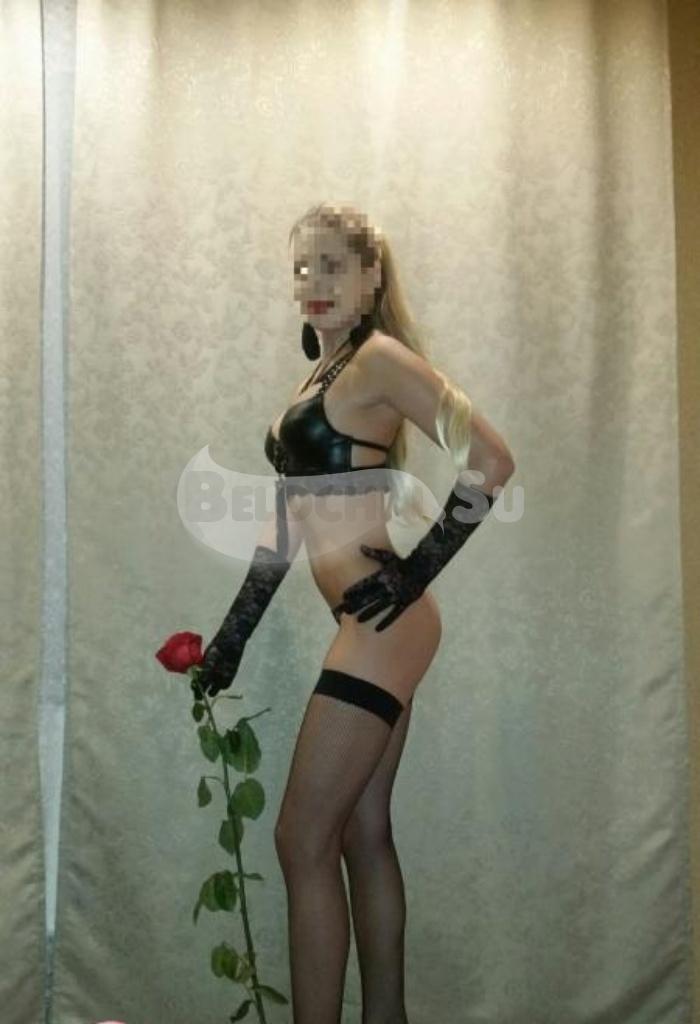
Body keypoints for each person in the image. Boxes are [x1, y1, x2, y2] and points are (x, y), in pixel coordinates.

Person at [196, 202, 516, 1024]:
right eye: (302, 268)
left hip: (384, 623)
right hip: (373, 623)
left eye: (333, 265)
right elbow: (288, 519)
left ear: (372, 278)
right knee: (360, 832)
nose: (314, 281)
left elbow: (491, 459)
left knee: (300, 839)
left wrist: (417, 571)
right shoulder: (317, 381)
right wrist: (232, 639)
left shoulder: (380, 360)